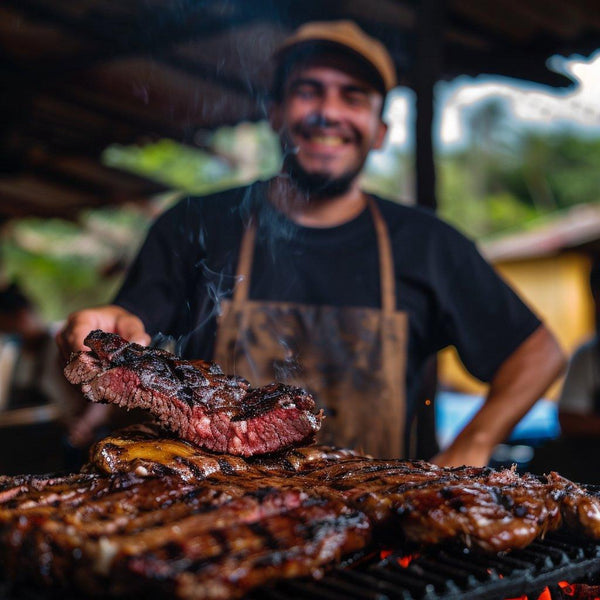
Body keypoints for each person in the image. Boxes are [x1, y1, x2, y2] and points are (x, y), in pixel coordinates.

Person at [56, 20, 565, 465]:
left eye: (354, 96)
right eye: (308, 90)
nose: (329, 112)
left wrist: (474, 443)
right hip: (216, 512)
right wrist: (104, 330)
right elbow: (127, 326)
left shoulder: (429, 244)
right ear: (275, 112)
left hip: (383, 536)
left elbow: (539, 353)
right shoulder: (195, 222)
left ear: (381, 130)